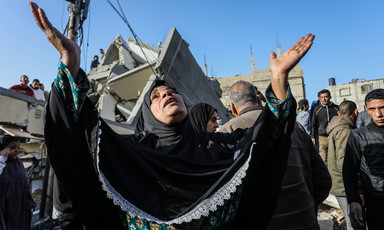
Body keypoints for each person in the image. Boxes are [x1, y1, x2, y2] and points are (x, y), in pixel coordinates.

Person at [30, 2, 315, 229]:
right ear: (148, 114)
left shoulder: (218, 147)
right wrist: (71, 66)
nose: (166, 94)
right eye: (156, 96)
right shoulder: (132, 155)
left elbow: (268, 139)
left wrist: (277, 79)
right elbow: (77, 137)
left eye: (171, 92)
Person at [220, 80, 331, 230]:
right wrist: (305, 206)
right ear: (258, 99)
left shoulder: (226, 133)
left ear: (232, 107)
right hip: (304, 221)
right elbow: (323, 180)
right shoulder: (295, 126)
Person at [343, 89, 384, 230]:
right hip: (376, 205)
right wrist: (353, 200)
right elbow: (349, 170)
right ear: (366, 110)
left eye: (382, 107)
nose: (378, 114)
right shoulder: (358, 136)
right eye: (372, 109)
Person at [326, 100, 363, 230]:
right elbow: (345, 163)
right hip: (345, 186)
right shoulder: (344, 130)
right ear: (356, 112)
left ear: (338, 113)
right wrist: (357, 187)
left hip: (341, 184)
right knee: (355, 223)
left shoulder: (336, 127)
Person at [0, 135, 36, 229]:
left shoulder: (18, 164)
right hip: (4, 209)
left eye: (18, 147)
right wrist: (2, 158)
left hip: (19, 209)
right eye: (12, 147)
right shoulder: (1, 163)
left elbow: (25, 186)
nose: (17, 150)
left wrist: (30, 207)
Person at [311, 89, 339, 165]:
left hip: (335, 137)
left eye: (326, 97)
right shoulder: (317, 109)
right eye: (322, 97)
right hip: (322, 137)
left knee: (335, 158)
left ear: (330, 97)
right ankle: (326, 176)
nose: (324, 99)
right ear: (319, 98)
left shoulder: (336, 108)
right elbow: (313, 124)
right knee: (323, 159)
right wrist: (313, 136)